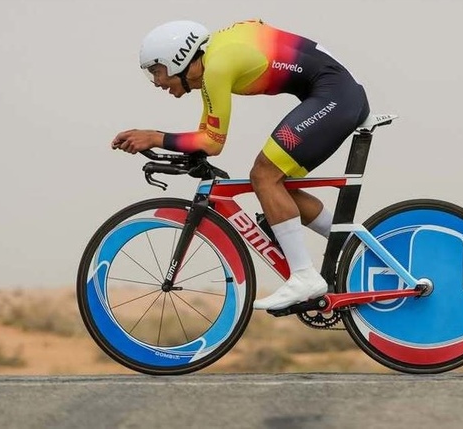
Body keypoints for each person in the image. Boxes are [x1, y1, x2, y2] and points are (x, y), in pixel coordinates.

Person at [111, 19, 370, 310]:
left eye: (157, 71)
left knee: (264, 176)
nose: (157, 82)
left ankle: (304, 276)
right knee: (276, 188)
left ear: (178, 59)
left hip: (336, 96)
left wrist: (154, 137)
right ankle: (357, 246)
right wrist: (168, 145)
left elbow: (212, 143)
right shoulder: (214, 61)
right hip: (337, 93)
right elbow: (206, 134)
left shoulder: (217, 68)